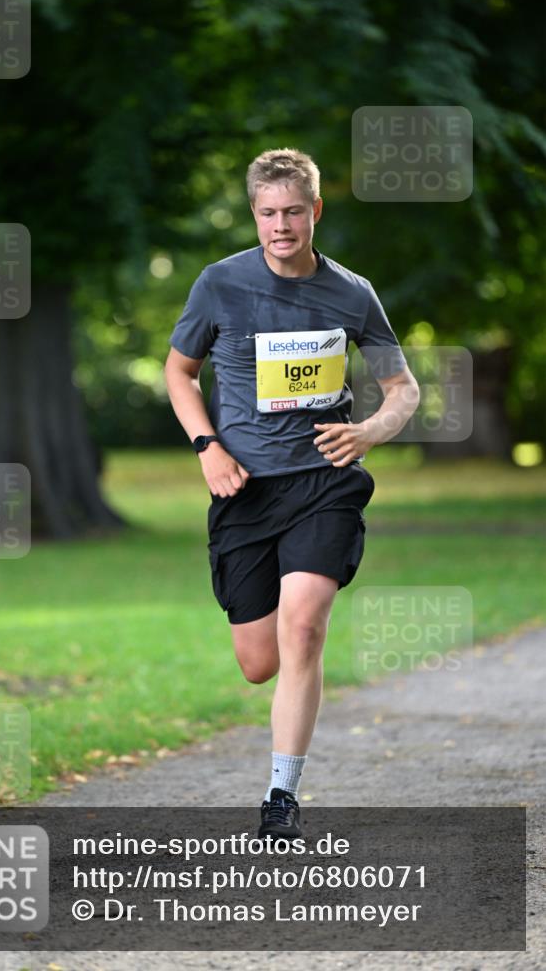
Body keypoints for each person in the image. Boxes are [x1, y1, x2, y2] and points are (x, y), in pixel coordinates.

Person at [164, 148, 419, 839]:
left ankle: (280, 795)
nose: (281, 226)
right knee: (259, 663)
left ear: (315, 211)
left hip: (323, 483)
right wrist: (206, 448)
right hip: (242, 489)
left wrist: (367, 431)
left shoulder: (351, 291)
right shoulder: (219, 284)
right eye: (268, 213)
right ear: (254, 213)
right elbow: (179, 373)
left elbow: (402, 388)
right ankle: (275, 685)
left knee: (302, 626)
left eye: (293, 212)